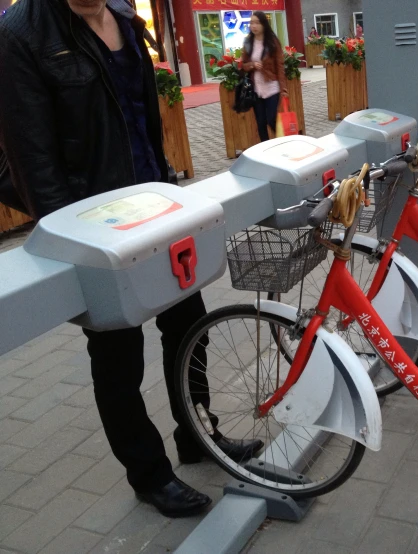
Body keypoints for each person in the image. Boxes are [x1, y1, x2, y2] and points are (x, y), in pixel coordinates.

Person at [0, 0, 262, 518]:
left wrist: (169, 188)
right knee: (118, 359)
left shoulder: (123, 17)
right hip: (97, 230)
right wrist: (73, 244)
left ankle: (197, 433)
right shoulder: (21, 35)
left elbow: (141, 120)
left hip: (156, 213)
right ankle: (149, 474)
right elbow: (32, 156)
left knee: (191, 329)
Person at [241, 11, 288, 142]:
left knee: (271, 118)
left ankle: (283, 141)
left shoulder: (272, 42)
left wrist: (283, 88)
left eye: (257, 22)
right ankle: (266, 149)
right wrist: (252, 65)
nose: (253, 26)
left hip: (272, 87)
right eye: (251, 23)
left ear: (263, 24)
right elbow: (243, 65)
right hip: (256, 89)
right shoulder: (248, 42)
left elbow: (280, 66)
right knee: (261, 123)